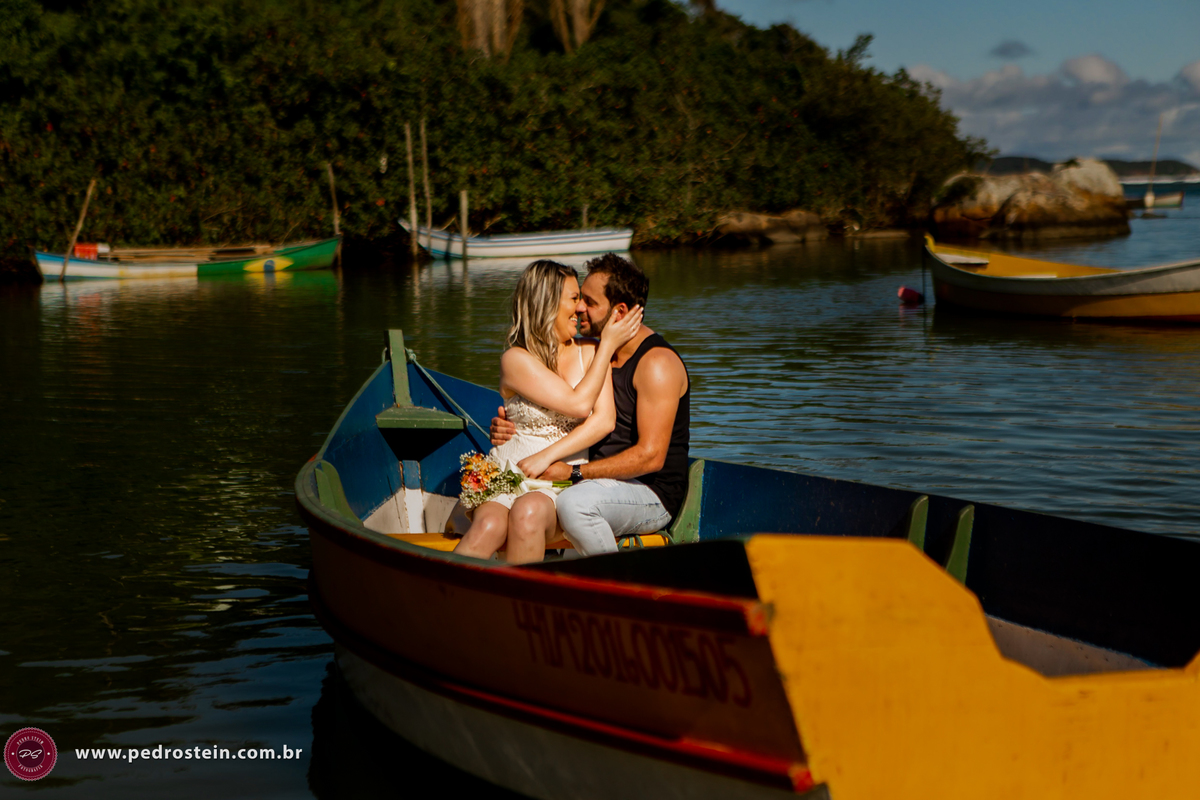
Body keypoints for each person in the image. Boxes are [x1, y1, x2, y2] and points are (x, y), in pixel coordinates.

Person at [491, 253, 689, 556]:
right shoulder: (592, 354)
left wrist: (574, 474)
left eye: (589, 302)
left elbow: (651, 458)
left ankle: (615, 594)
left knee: (575, 504)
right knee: (525, 505)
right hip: (590, 481)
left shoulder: (656, 364)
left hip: (648, 492)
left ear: (619, 312)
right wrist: (508, 428)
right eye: (577, 298)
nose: (578, 308)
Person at [453, 260, 643, 564]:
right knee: (489, 525)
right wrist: (607, 346)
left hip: (558, 481)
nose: (580, 307)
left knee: (527, 513)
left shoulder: (592, 351)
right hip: (510, 472)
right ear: (547, 303)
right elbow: (579, 405)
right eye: (573, 298)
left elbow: (604, 420)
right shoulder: (516, 359)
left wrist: (547, 457)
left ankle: (520, 606)